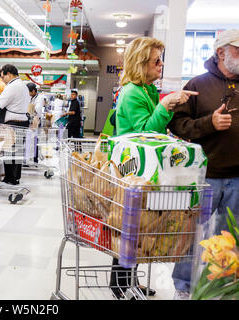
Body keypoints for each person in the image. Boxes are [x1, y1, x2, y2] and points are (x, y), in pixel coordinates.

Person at [112, 36, 198, 300]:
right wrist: (164, 106)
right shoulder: (131, 93)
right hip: (132, 172)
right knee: (130, 231)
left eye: (161, 59)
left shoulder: (146, 90)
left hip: (145, 173)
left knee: (140, 231)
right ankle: (120, 285)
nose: (160, 65)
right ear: (140, 63)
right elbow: (143, 135)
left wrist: (166, 107)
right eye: (155, 60)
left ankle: (130, 281)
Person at [168, 29, 239, 300]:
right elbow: (177, 125)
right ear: (221, 52)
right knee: (192, 234)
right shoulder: (197, 85)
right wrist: (210, 123)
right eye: (237, 50)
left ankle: (221, 287)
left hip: (238, 177)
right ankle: (183, 288)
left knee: (230, 238)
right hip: (204, 177)